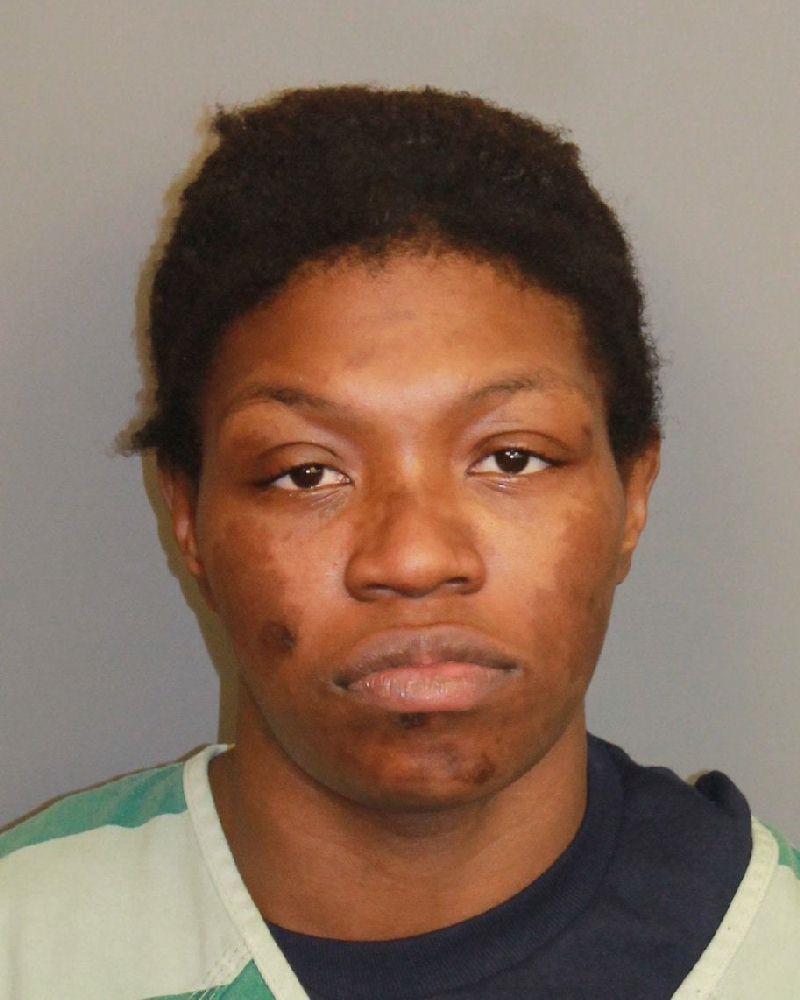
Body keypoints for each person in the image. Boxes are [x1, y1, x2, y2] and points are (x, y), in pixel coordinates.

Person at [1, 85, 797, 1000]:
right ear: (189, 519)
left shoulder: (772, 954)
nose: (413, 561)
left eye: (510, 458)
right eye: (307, 473)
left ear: (633, 495)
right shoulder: (29, 948)